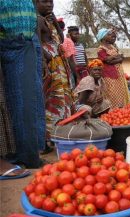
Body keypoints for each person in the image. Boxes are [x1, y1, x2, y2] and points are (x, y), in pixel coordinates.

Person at [0, 0, 46, 168]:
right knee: (18, 105)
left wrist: (39, 56)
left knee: (32, 103)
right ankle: (23, 155)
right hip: (10, 48)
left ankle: (31, 153)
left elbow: (34, 27)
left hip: (28, 47)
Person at [37, 0, 74, 145]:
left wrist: (57, 25)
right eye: (44, 2)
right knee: (53, 99)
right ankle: (50, 136)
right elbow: (37, 44)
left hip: (60, 63)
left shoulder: (49, 20)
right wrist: (48, 58)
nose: (49, 5)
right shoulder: (38, 20)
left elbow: (62, 39)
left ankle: (61, 132)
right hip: (51, 64)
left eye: (51, 2)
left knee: (64, 98)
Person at [97, 28, 130, 108]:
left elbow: (121, 59)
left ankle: (120, 111)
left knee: (120, 94)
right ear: (103, 38)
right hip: (109, 76)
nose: (112, 36)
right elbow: (107, 60)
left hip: (119, 75)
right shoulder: (101, 49)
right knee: (112, 94)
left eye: (113, 35)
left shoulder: (113, 47)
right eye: (109, 35)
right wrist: (117, 57)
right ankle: (112, 112)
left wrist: (116, 58)